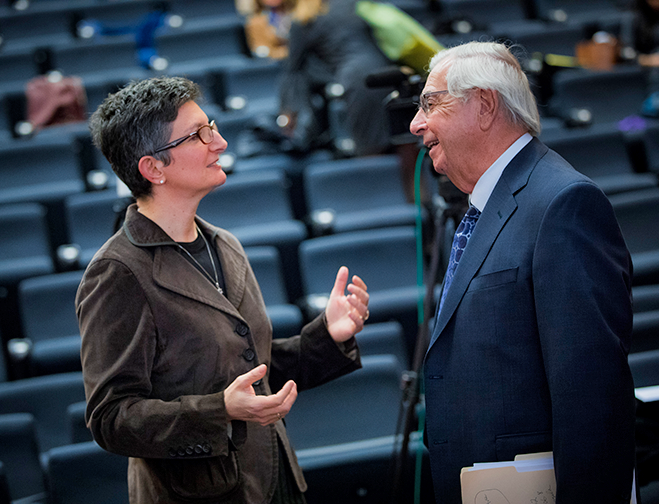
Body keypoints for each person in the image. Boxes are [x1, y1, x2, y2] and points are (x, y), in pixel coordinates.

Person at [76, 76, 370, 504]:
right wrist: (220, 411)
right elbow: (111, 419)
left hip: (274, 480)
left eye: (210, 126)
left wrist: (328, 335)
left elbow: (250, 371)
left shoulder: (223, 243)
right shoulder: (117, 272)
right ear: (152, 168)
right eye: (199, 135)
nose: (220, 143)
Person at [409, 42, 636, 503]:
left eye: (431, 103)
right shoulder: (486, 204)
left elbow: (591, 398)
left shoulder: (563, 204)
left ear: (486, 105)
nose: (416, 124)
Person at [277, 0, 393, 155]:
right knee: (404, 149)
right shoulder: (350, 4)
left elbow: (292, 70)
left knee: (371, 157)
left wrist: (289, 118)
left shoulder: (303, 20)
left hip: (357, 81)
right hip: (388, 70)